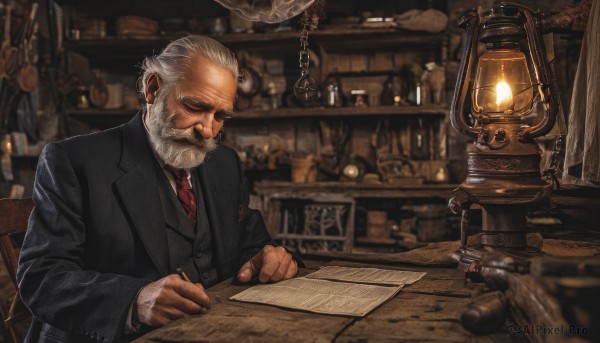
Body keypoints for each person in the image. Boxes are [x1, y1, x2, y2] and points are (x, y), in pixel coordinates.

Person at [17, 35, 301, 342]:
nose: (207, 129)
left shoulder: (225, 164)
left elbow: (250, 245)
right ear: (153, 88)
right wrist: (134, 302)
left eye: (220, 116)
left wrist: (269, 257)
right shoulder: (74, 161)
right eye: (195, 106)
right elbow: (42, 278)